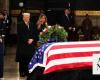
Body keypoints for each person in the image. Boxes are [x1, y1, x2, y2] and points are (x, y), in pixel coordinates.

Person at [17, 12, 38, 77]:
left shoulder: (32, 24)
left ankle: (27, 71)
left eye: (28, 17)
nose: (27, 18)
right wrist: (27, 40)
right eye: (26, 17)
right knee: (22, 59)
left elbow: (34, 33)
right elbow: (20, 35)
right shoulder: (20, 24)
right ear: (23, 18)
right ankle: (22, 72)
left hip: (31, 44)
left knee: (29, 58)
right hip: (23, 45)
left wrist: (32, 39)